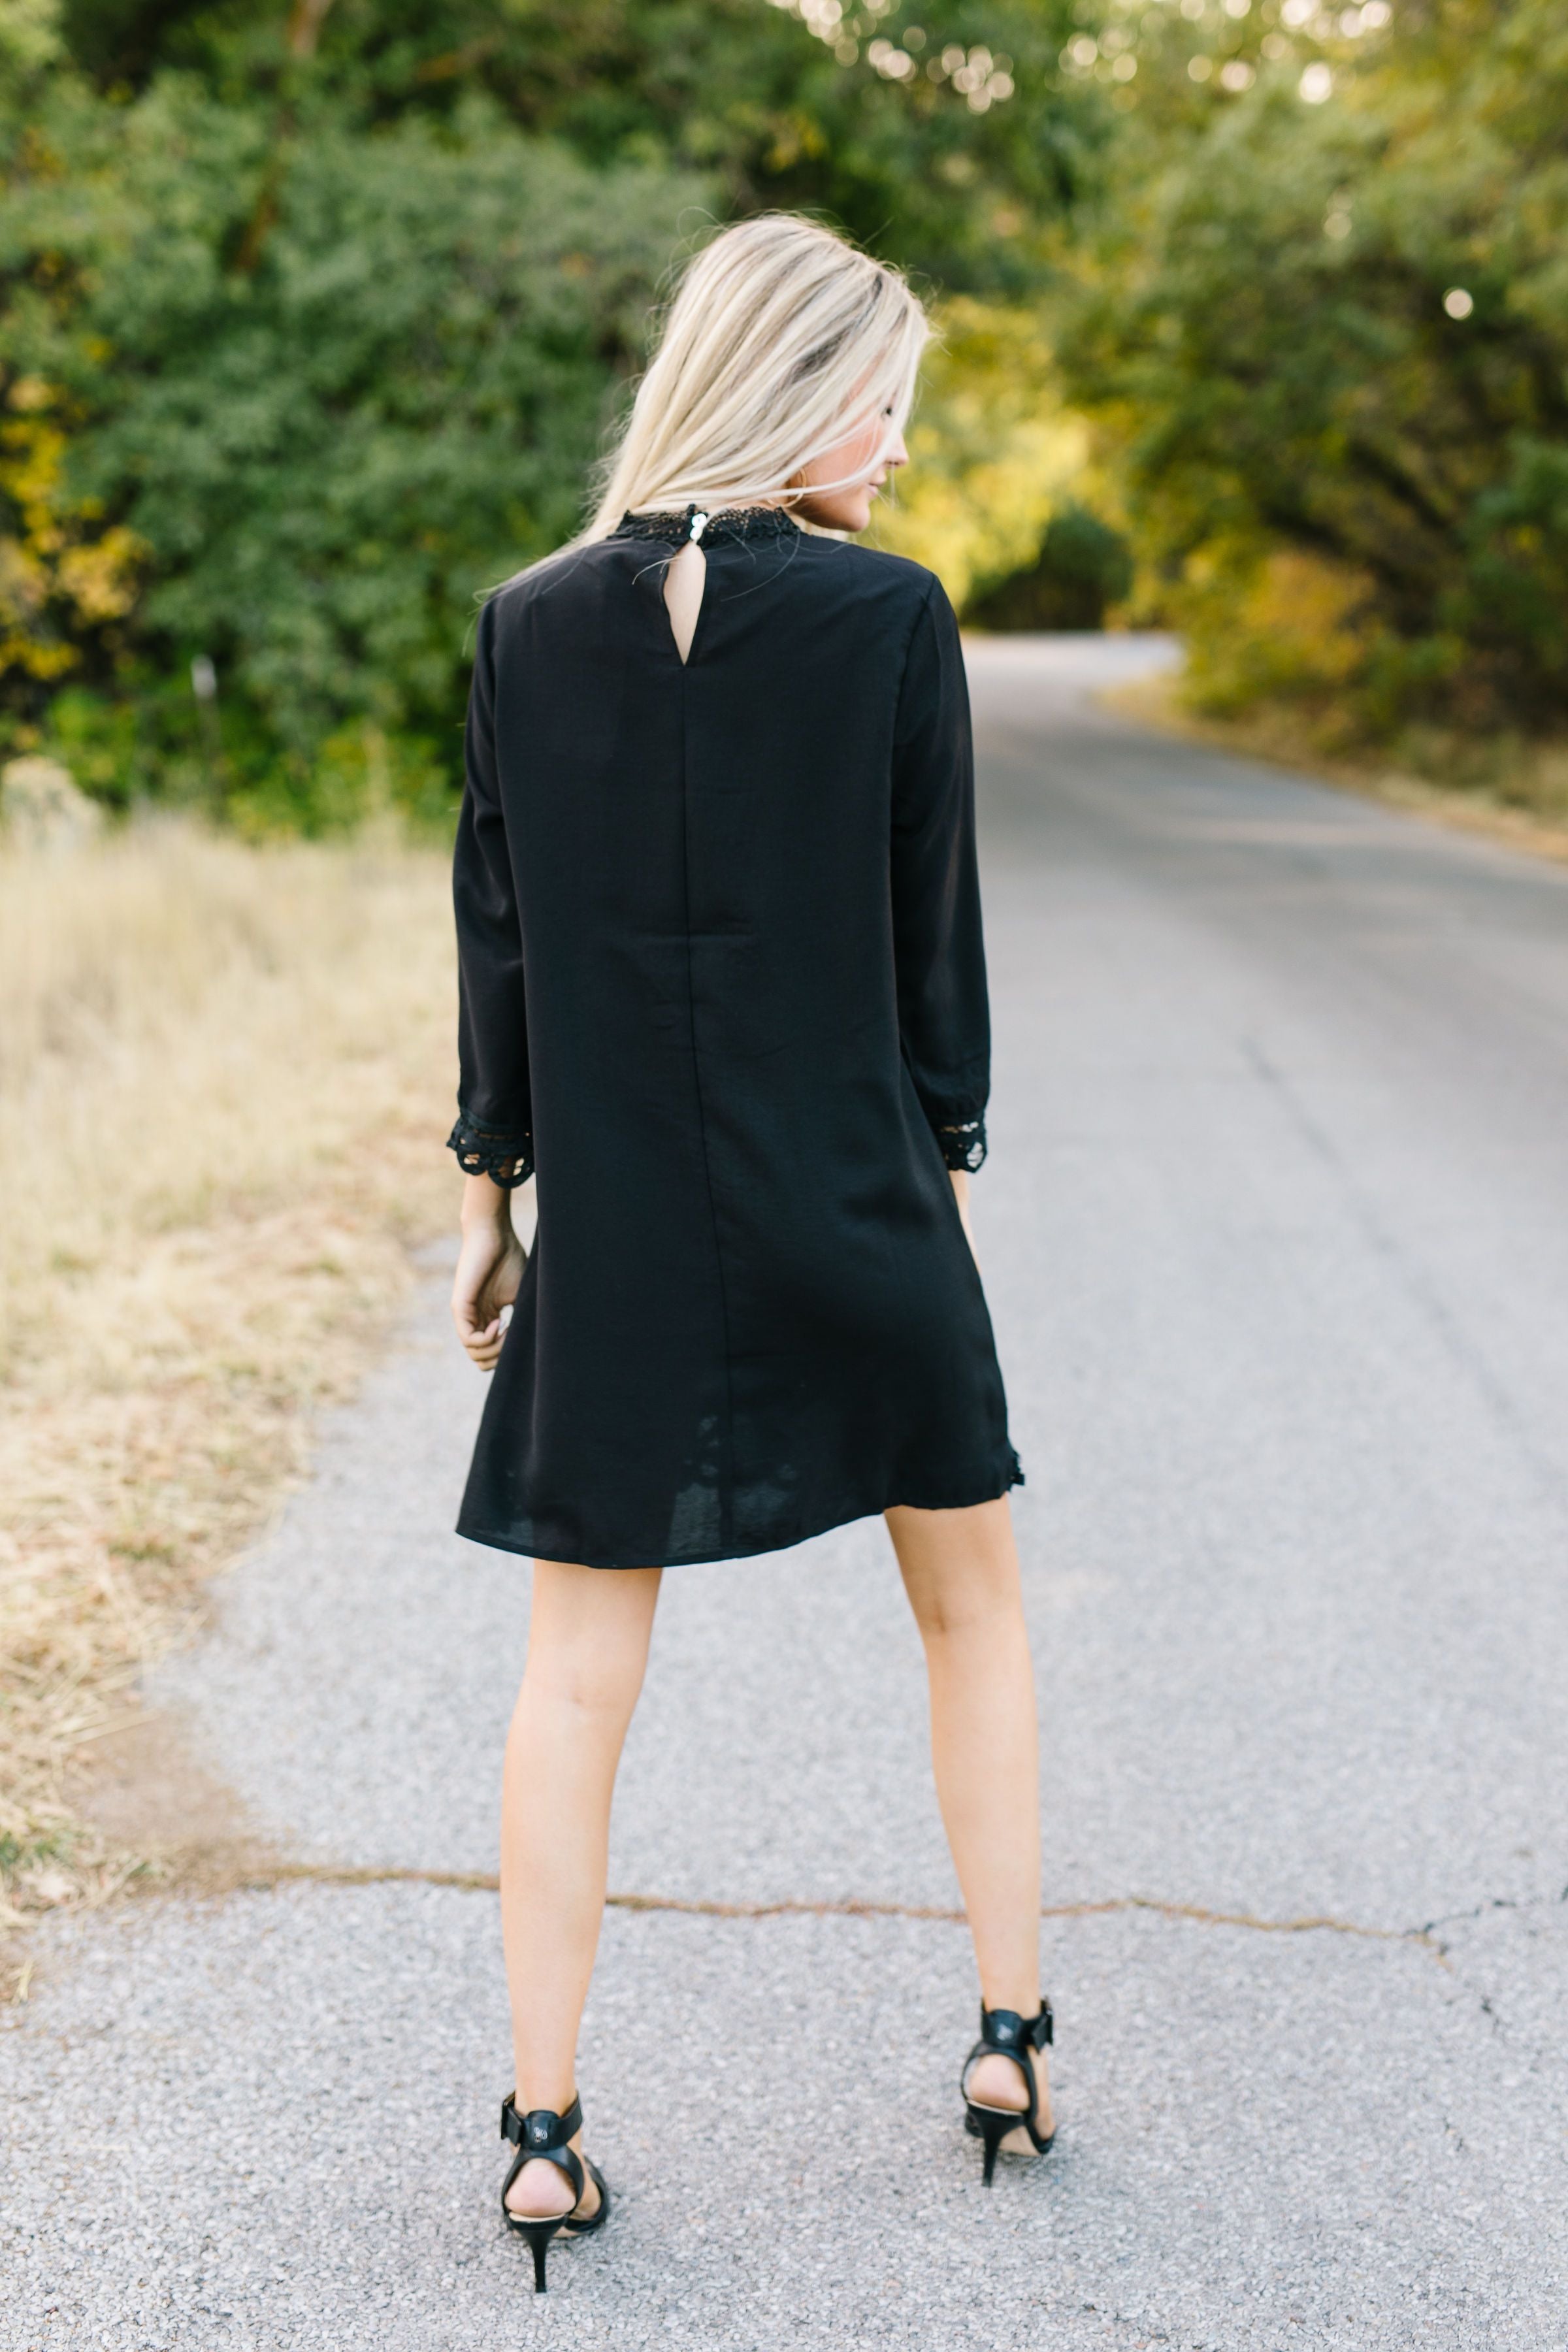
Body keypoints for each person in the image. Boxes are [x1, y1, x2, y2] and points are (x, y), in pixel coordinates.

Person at [446, 212, 1052, 2292]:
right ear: (810, 391)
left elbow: (502, 940)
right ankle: (1007, 2042)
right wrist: (940, 1205)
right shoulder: (894, 628)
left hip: (618, 1234)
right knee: (970, 1616)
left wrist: (486, 1199)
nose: (896, 445)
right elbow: (930, 968)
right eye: (885, 400)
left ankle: (541, 2133)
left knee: (574, 1672)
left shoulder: (528, 626)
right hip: (859, 1208)